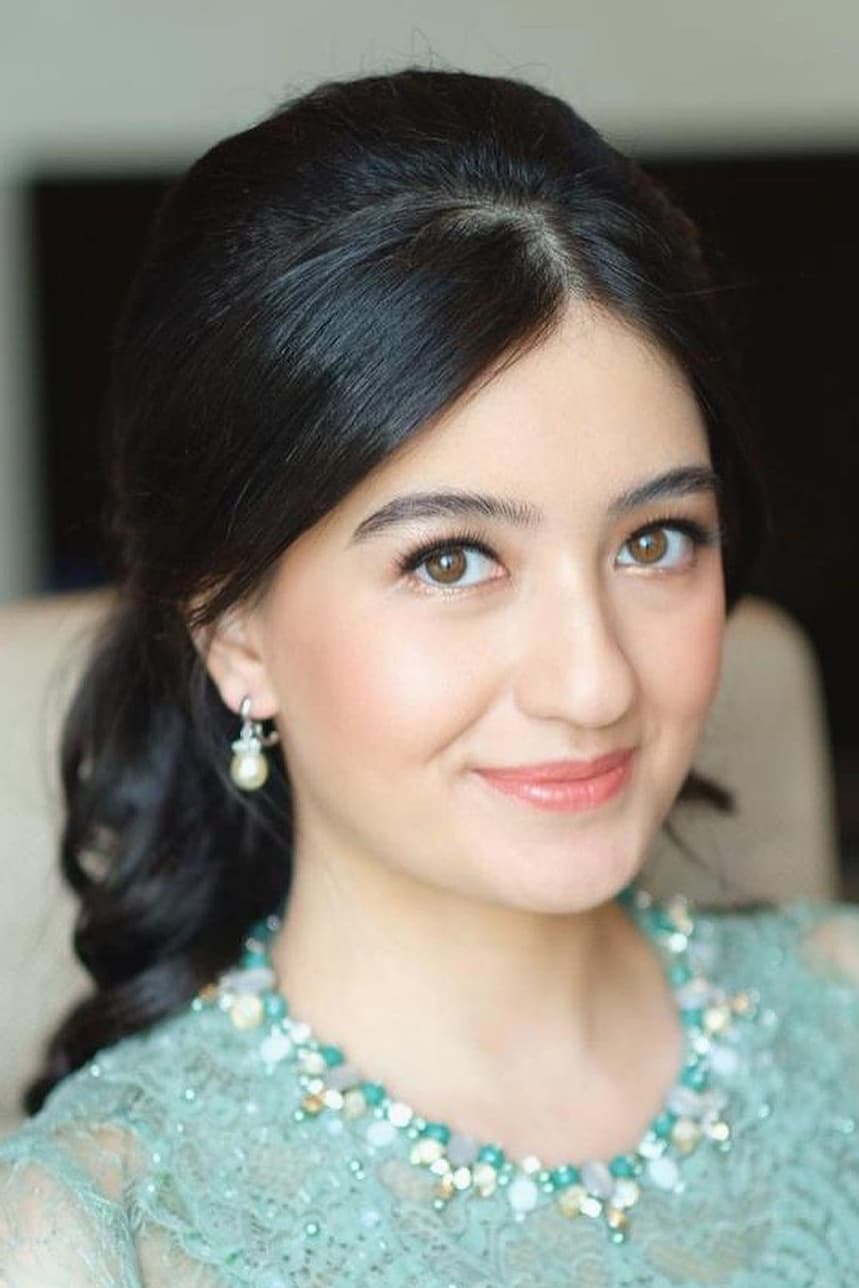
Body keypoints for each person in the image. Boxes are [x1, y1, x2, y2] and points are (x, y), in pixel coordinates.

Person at [1, 64, 857, 1288]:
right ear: (233, 627)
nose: (593, 683)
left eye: (655, 540)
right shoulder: (98, 1232)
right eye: (450, 559)